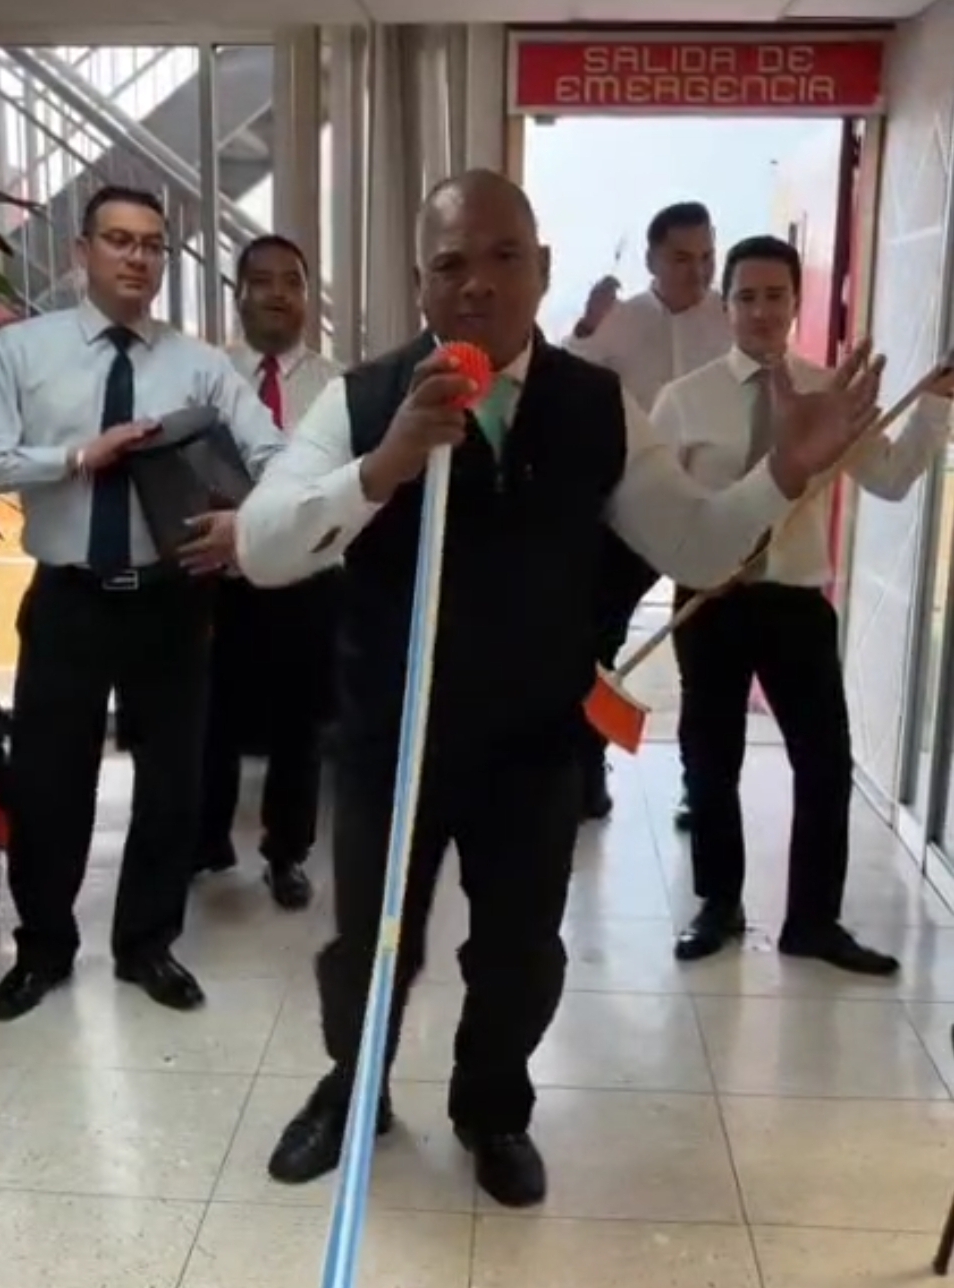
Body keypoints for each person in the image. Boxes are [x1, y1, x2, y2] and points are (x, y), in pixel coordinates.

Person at [220, 169, 882, 1209]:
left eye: (503, 258)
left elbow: (695, 543)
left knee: (521, 951)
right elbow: (262, 548)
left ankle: (493, 1108)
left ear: (543, 269)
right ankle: (355, 1088)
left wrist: (782, 476)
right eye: (450, 263)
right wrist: (383, 465)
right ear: (421, 282)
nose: (477, 283)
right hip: (392, 737)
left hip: (532, 741)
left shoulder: (596, 406)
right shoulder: (363, 399)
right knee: (368, 946)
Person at [0, 186, 286, 1023]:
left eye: (152, 245)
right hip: (70, 600)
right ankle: (44, 948)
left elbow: (276, 455)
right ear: (81, 252)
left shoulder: (199, 365)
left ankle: (147, 946)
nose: (137, 257)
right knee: (50, 781)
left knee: (173, 783)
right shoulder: (22, 352)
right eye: (119, 240)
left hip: (172, 601)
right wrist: (73, 457)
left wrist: (244, 524)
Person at [655, 234, 954, 976]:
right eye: (746, 297)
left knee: (823, 764)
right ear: (726, 305)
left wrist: (933, 409)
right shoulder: (685, 400)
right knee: (710, 762)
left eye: (776, 296)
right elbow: (660, 511)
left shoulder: (833, 396)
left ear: (796, 302)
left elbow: (891, 479)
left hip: (795, 603)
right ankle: (718, 905)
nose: (761, 311)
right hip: (710, 602)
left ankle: (813, 922)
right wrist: (691, 561)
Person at [567, 202, 733, 825]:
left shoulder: (730, 320)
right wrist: (588, 326)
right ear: (652, 260)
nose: (698, 272)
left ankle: (701, 786)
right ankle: (587, 773)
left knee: (706, 660)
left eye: (707, 257)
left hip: (709, 512)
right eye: (682, 258)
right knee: (597, 643)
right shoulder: (624, 319)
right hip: (628, 511)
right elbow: (569, 373)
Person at [195, 235, 341, 910]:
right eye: (263, 280)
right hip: (217, 576)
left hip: (307, 580)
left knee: (298, 726)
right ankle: (205, 840)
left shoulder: (339, 387)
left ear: (308, 296)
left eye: (293, 281)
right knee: (211, 715)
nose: (279, 293)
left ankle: (287, 855)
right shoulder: (208, 377)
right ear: (239, 293)